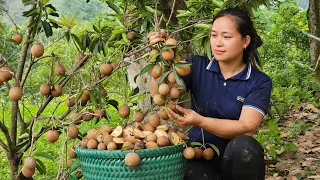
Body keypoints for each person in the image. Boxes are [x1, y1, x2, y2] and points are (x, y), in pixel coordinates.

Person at [149, 7, 272, 180]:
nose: (218, 43)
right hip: (200, 155)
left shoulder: (259, 81)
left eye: (226, 37)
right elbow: (161, 93)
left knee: (245, 146)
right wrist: (160, 57)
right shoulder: (196, 65)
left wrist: (200, 121)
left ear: (245, 41)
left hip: (236, 159)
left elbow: (247, 127)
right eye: (214, 35)